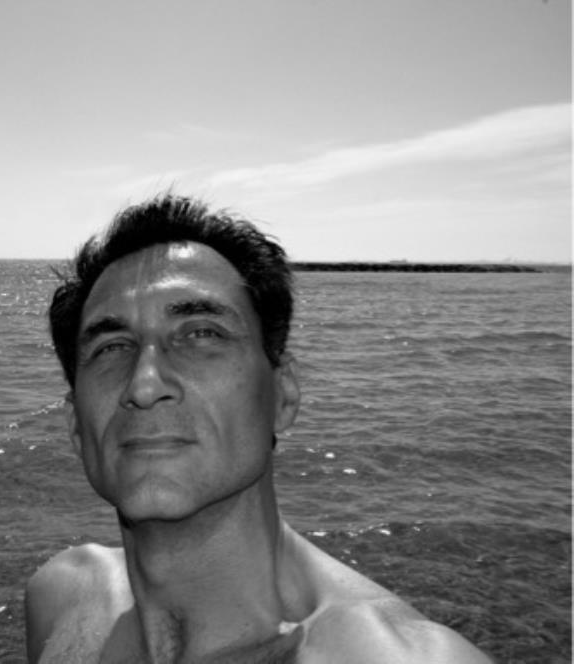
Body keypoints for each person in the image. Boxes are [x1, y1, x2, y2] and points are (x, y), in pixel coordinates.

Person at [25, 193, 491, 663]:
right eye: (111, 347)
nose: (144, 385)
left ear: (282, 395)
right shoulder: (63, 600)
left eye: (201, 333)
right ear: (75, 425)